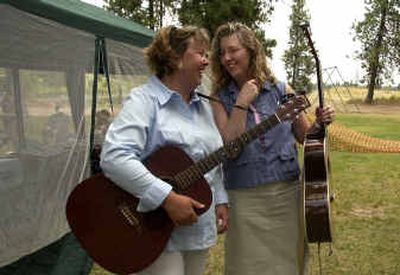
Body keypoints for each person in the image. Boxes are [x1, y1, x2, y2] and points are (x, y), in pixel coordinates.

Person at [100, 25, 229, 275]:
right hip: (152, 228)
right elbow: (114, 157)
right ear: (175, 57)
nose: (206, 61)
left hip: (196, 225)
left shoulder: (202, 106)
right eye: (200, 54)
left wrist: (221, 198)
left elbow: (211, 158)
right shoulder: (144, 101)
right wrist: (166, 198)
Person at [209, 22, 335, 275]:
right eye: (222, 53)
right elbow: (230, 148)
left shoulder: (280, 89)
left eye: (233, 50)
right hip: (245, 199)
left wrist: (320, 123)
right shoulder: (218, 98)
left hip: (286, 194)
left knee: (288, 263)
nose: (227, 58)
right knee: (246, 265)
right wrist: (242, 102)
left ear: (251, 51)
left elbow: (304, 135)